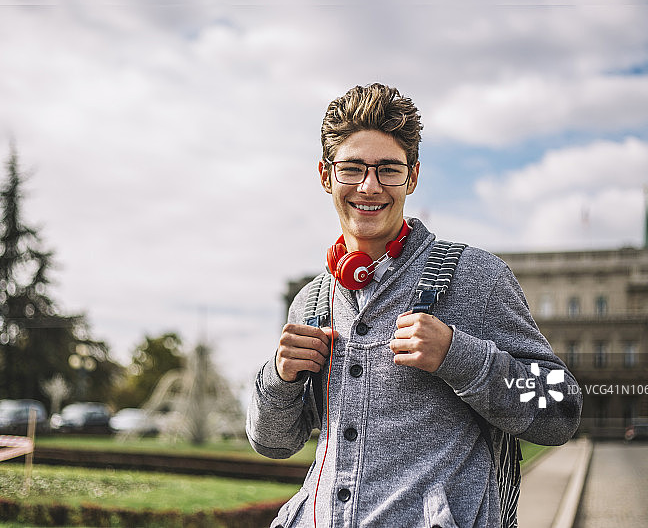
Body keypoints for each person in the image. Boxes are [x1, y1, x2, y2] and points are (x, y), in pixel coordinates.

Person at [246, 83, 582, 528]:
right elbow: (273, 443)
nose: (369, 186)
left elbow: (560, 409)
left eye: (388, 169)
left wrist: (460, 357)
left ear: (412, 177)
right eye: (352, 168)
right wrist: (280, 376)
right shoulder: (310, 301)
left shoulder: (477, 278)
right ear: (326, 176)